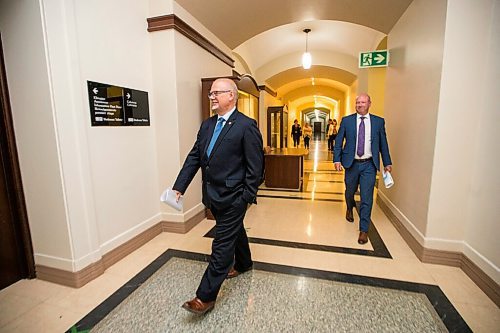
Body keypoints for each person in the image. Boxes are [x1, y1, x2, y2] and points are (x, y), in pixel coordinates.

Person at [172, 78, 264, 314]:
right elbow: (195, 157)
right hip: (213, 194)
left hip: (235, 196)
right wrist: (179, 186)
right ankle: (244, 263)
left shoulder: (246, 125)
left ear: (231, 96)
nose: (211, 97)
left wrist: (246, 196)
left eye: (216, 93)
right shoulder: (206, 125)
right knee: (233, 230)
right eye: (210, 93)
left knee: (221, 245)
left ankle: (205, 297)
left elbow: (256, 167)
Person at [333, 93, 392, 245]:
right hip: (351, 163)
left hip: (369, 165)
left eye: (363, 102)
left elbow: (383, 144)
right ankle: (349, 206)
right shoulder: (347, 121)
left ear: (369, 104)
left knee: (367, 198)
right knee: (349, 191)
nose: (359, 104)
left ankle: (364, 230)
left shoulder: (378, 122)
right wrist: (337, 159)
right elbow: (339, 141)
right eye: (357, 102)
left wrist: (387, 162)